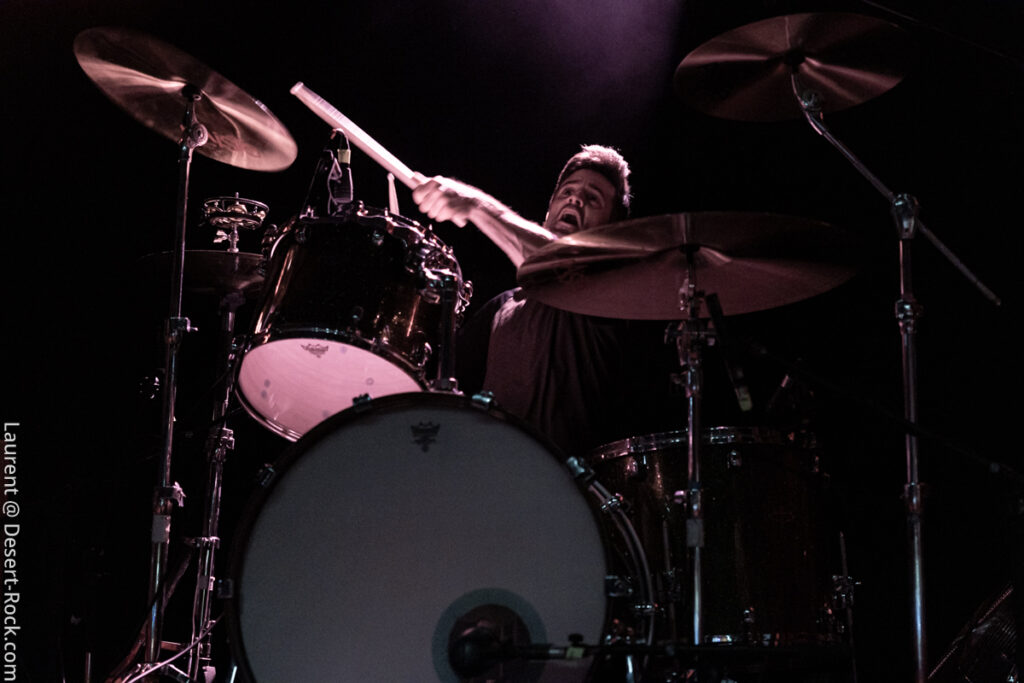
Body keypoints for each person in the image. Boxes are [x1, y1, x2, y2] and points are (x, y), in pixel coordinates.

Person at [412, 145, 669, 457]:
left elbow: (555, 261)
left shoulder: (609, 290)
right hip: (490, 470)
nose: (575, 199)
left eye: (592, 198)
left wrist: (474, 204)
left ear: (610, 230)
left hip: (566, 478)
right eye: (567, 191)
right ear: (547, 213)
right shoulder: (502, 308)